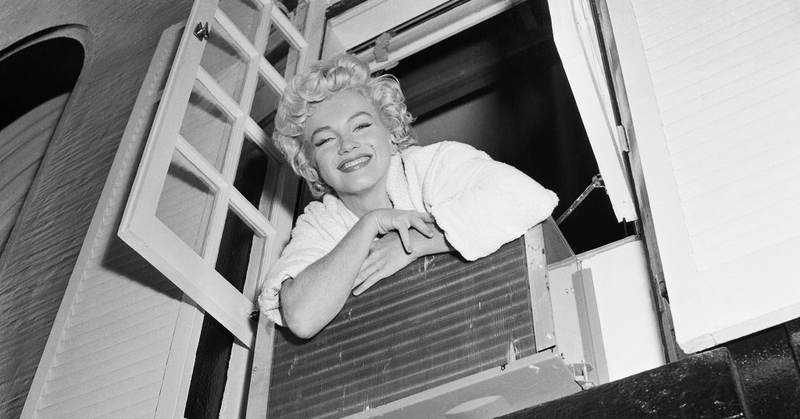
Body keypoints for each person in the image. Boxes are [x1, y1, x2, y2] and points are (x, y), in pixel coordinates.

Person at [258, 53, 558, 339]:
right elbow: (301, 318)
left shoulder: (428, 166)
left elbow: (529, 198)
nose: (346, 145)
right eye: (325, 140)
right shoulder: (320, 223)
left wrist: (414, 243)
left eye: (361, 126)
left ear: (390, 133)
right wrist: (371, 224)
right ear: (311, 168)